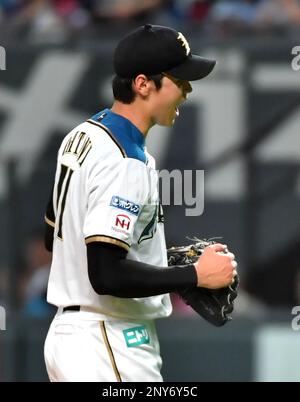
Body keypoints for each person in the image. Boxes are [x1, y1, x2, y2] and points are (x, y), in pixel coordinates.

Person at [43, 23, 237, 382]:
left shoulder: (84, 134)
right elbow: (105, 274)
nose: (188, 90)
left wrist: (156, 263)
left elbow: (54, 237)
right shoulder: (126, 160)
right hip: (108, 339)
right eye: (179, 80)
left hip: (74, 337)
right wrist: (193, 275)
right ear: (143, 84)